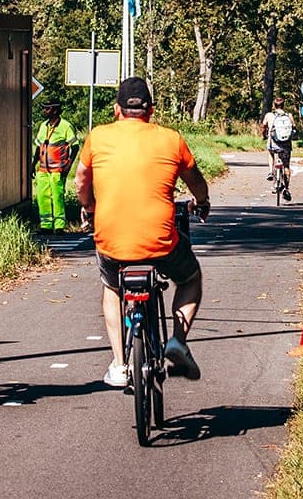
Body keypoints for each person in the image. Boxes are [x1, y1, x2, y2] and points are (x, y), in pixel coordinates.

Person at [75, 76, 211, 388]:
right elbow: (196, 181)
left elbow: (81, 179)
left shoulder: (98, 137)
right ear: (150, 110)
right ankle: (177, 341)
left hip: (111, 240)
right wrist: (202, 202)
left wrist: (89, 206)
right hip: (160, 241)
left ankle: (120, 365)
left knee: (111, 288)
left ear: (116, 109)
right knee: (190, 278)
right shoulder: (171, 139)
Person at [32, 98, 81, 236]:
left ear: (54, 110)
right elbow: (39, 147)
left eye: (47, 109)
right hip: (43, 169)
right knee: (42, 196)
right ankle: (46, 225)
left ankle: (59, 226)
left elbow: (75, 147)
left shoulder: (66, 126)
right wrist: (33, 164)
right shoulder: (43, 126)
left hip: (58, 170)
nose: (44, 111)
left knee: (57, 197)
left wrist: (69, 165)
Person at [261, 95, 295, 201]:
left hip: (273, 143)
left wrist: (264, 135)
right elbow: (294, 127)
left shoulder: (269, 115)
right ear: (283, 105)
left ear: (274, 105)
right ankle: (287, 188)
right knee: (286, 166)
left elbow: (263, 127)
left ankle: (271, 171)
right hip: (286, 145)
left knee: (270, 153)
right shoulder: (289, 115)